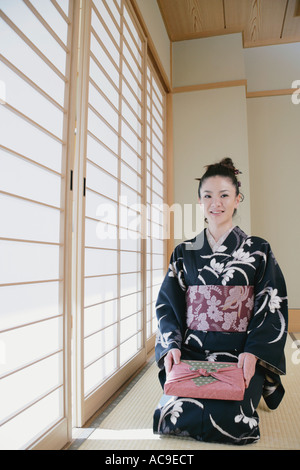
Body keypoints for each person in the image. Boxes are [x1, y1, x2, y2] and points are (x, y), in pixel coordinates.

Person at [153, 158, 288, 445]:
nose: (217, 203)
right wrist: (171, 347)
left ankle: (261, 379)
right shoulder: (183, 252)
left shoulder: (258, 250)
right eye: (208, 196)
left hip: (239, 355)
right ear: (199, 202)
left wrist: (254, 353)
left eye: (225, 195)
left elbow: (270, 302)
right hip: (194, 353)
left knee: (236, 421)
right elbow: (168, 304)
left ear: (237, 199)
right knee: (171, 415)